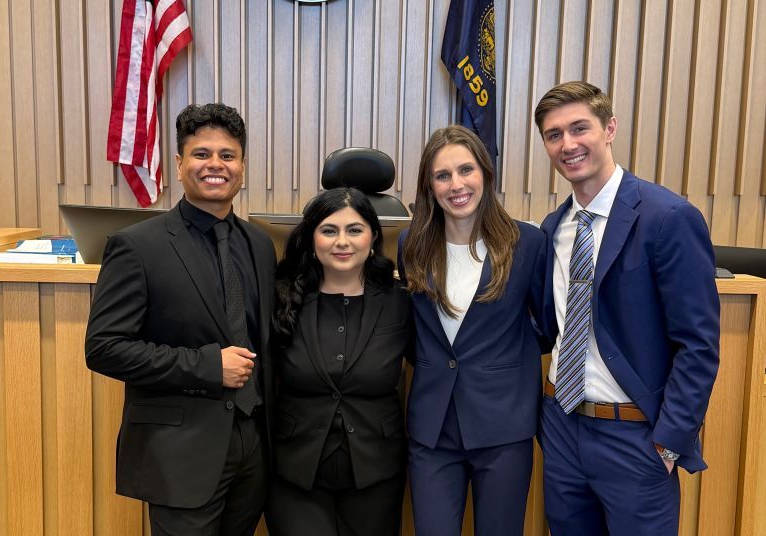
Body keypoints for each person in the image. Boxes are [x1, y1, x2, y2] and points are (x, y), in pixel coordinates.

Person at [534, 81, 720, 535]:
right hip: (563, 428)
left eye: (580, 128)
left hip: (636, 438)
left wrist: (669, 443)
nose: (568, 144)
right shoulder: (553, 227)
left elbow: (698, 345)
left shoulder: (668, 218)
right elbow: (548, 328)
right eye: (554, 134)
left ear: (610, 128)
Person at [85, 103, 276, 536]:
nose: (215, 165)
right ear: (179, 163)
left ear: (242, 166)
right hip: (181, 452)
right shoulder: (137, 246)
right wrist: (209, 367)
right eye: (201, 153)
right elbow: (104, 348)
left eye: (227, 156)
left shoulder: (261, 245)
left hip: (253, 446)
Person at [399, 125, 548, 535]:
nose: (456, 184)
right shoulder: (410, 243)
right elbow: (415, 331)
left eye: (466, 170)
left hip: (503, 425)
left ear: (485, 172)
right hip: (433, 429)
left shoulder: (527, 243)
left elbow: (547, 327)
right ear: (429, 185)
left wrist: (499, 361)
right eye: (442, 175)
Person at [264, 187, 411, 536]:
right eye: (329, 230)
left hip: (376, 472)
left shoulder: (401, 303)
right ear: (311, 238)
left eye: (354, 230)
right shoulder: (281, 298)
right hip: (295, 474)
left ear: (373, 237)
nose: (342, 241)